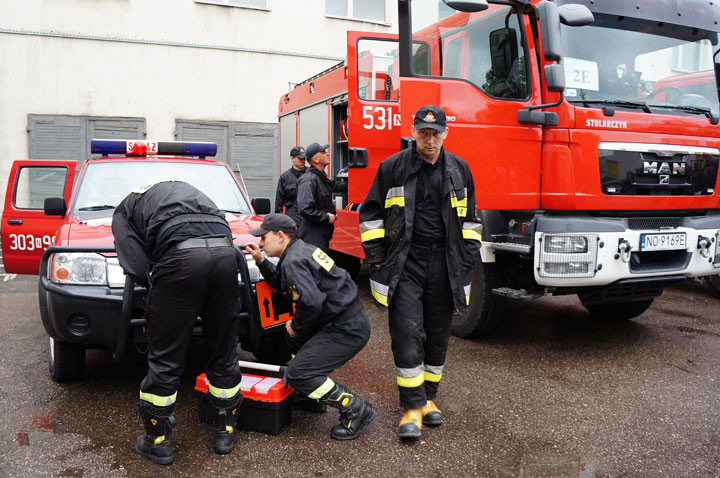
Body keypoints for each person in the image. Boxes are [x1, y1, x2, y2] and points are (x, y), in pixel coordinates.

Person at [358, 105, 482, 439]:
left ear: (446, 133)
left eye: (436, 133)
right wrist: (378, 258)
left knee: (438, 332)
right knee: (407, 331)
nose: (430, 140)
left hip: (445, 262)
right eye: (423, 133)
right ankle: (411, 407)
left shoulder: (460, 169)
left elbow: (471, 220)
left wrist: (466, 258)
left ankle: (429, 399)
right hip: (406, 262)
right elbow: (370, 215)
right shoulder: (392, 168)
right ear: (413, 132)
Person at [112, 180, 244, 465]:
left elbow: (134, 260)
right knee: (223, 348)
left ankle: (158, 442)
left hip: (180, 259)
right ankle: (225, 432)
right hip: (225, 255)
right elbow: (222, 227)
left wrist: (156, 280)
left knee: (166, 356)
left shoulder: (124, 209)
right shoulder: (191, 191)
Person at [245, 213, 376, 440]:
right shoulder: (300, 251)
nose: (261, 243)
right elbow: (288, 286)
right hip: (342, 320)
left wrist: (296, 324)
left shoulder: (294, 261)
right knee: (291, 342)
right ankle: (311, 396)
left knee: (299, 373)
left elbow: (312, 302)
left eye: (263, 238)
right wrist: (261, 261)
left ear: (280, 236)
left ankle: (355, 408)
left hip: (346, 328)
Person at [296, 142, 347, 252]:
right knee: (315, 267)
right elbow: (305, 209)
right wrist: (327, 217)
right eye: (324, 152)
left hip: (321, 234)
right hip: (313, 236)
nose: (328, 154)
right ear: (316, 159)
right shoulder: (308, 180)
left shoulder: (321, 177)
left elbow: (335, 185)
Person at [275, 145, 307, 226]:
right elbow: (279, 203)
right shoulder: (285, 177)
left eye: (304, 158)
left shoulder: (311, 174)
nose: (303, 161)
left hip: (309, 214)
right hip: (292, 216)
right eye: (300, 159)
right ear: (292, 158)